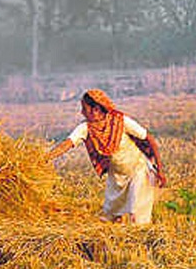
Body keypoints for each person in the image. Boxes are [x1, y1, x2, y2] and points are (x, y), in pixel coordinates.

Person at [48, 89, 167, 224]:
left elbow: (150, 140)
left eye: (84, 109)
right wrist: (46, 158)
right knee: (110, 219)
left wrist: (160, 171)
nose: (82, 112)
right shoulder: (86, 128)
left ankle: (141, 243)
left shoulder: (120, 121)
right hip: (116, 178)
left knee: (137, 216)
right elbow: (67, 144)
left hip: (138, 171)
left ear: (96, 109)